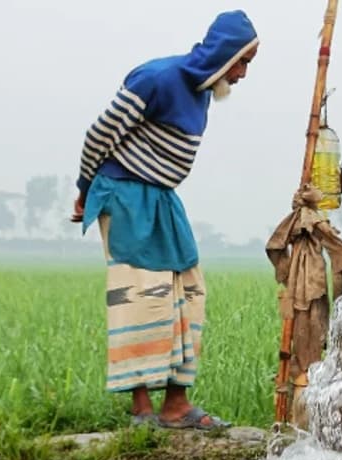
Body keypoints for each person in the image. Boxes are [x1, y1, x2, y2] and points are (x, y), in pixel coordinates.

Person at [70, 10, 259, 430]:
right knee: (140, 294)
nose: (245, 73)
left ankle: (176, 404)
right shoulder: (156, 79)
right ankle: (141, 408)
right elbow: (99, 135)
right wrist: (85, 191)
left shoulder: (203, 92)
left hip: (163, 198)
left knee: (189, 291)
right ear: (224, 55)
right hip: (126, 194)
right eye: (243, 61)